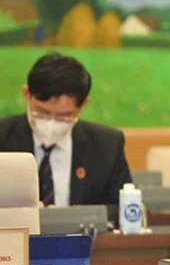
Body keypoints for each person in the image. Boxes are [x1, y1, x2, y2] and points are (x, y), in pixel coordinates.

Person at [0, 53, 132, 222]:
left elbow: (123, 207)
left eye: (64, 116)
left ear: (83, 104)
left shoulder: (107, 144)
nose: (51, 123)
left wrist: (71, 217)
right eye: (42, 112)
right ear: (26, 94)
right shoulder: (4, 136)